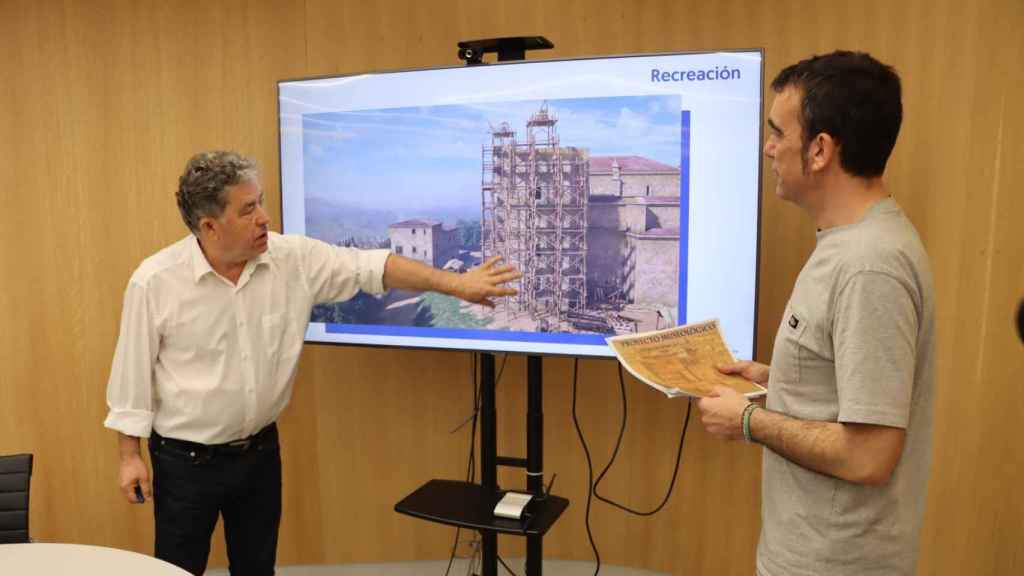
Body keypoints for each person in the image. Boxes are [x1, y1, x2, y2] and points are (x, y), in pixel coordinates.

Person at [104, 151, 521, 575]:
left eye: (260, 202)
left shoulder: (292, 259)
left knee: (256, 568)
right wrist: (129, 456)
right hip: (184, 462)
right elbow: (132, 373)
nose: (264, 217)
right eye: (248, 210)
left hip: (259, 455)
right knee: (177, 569)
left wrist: (457, 285)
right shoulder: (155, 281)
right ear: (210, 226)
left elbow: (372, 266)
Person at [697, 51, 935, 576]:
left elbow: (868, 454)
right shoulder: (847, 243)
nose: (768, 148)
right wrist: (773, 379)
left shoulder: (870, 265)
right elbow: (848, 389)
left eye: (778, 132)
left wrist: (748, 420)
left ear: (821, 149)